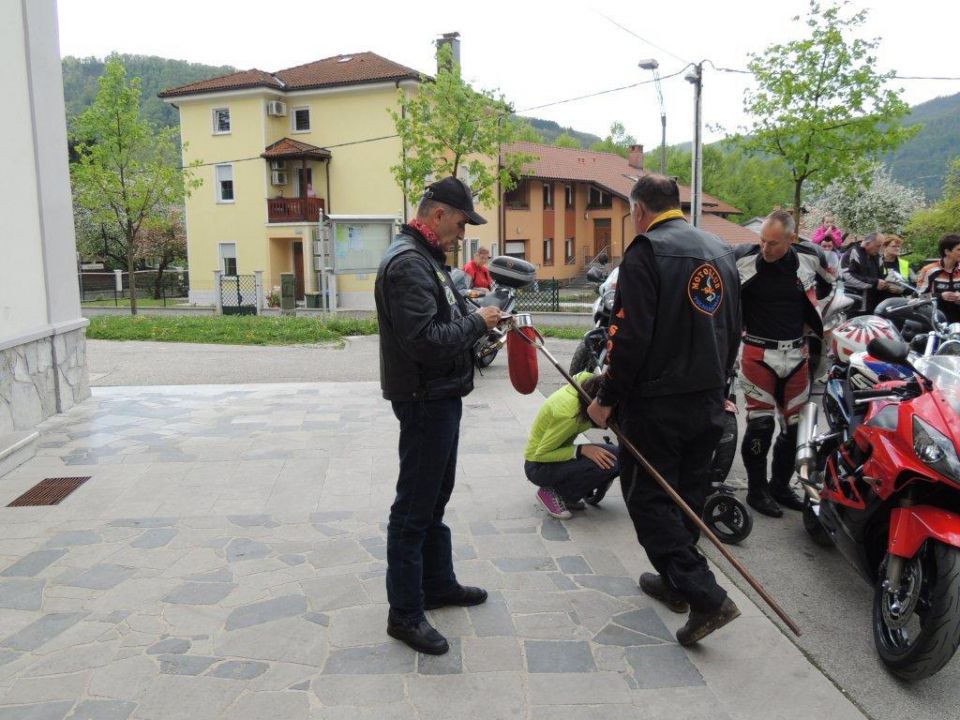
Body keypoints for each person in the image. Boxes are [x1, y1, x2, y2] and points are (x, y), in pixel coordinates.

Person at [587, 174, 742, 646]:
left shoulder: (646, 251)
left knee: (651, 501)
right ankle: (676, 582)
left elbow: (627, 337)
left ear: (639, 210)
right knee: (687, 498)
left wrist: (606, 398)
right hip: (709, 397)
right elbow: (734, 326)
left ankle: (705, 595)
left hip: (658, 403)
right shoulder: (719, 249)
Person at [374, 176, 501, 655]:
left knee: (434, 498)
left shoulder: (424, 257)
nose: (463, 234)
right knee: (413, 508)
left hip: (440, 395)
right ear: (439, 214)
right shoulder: (408, 263)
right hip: (426, 398)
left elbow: (437, 319)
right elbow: (425, 341)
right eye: (462, 223)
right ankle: (404, 613)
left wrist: (470, 314)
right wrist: (477, 321)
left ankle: (437, 583)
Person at [735, 211, 824, 518]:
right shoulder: (743, 261)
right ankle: (756, 490)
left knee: (797, 427)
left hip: (797, 355)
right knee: (760, 424)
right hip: (757, 353)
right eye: (762, 241)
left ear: (791, 239)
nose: (765, 248)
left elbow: (827, 288)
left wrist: (814, 325)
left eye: (773, 243)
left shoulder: (809, 260)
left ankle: (780, 486)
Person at [525, 372, 620, 519]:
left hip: (557, 455)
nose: (609, 423)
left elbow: (584, 374)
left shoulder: (587, 385)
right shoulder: (569, 414)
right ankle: (555, 493)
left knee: (619, 456)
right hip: (538, 466)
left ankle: (569, 494)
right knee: (610, 461)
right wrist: (581, 449)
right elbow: (541, 454)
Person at [917, 234, 960, 323]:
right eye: (959, 249)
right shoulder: (928, 270)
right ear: (947, 251)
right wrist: (940, 296)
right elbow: (919, 297)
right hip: (936, 321)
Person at [842, 232, 888, 314]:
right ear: (867, 243)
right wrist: (874, 283)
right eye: (878, 246)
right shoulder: (852, 252)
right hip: (856, 305)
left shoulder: (877, 256)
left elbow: (883, 275)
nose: (879, 249)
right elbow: (847, 275)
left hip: (874, 304)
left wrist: (887, 283)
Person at [877, 234, 912, 303]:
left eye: (899, 246)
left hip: (899, 303)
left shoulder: (904, 264)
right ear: (885, 247)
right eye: (894, 246)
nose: (897, 248)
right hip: (877, 302)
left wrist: (901, 290)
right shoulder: (875, 262)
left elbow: (913, 287)